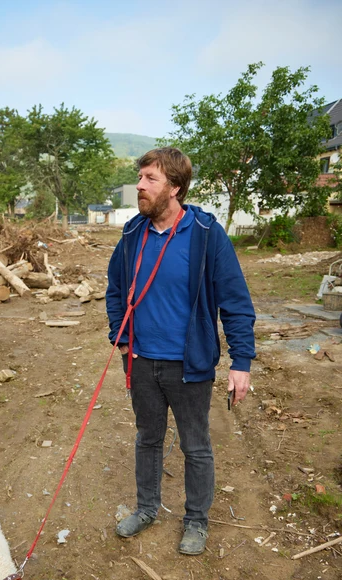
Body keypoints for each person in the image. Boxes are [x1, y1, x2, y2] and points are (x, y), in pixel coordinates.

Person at [106, 147, 255, 555]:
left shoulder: (206, 235)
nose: (139, 185)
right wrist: (120, 340)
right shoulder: (132, 233)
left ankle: (196, 521)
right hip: (141, 360)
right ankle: (147, 509)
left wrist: (240, 363)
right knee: (148, 439)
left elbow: (236, 302)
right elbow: (115, 288)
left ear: (174, 187)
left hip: (190, 365)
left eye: (149, 179)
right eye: (140, 177)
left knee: (196, 445)